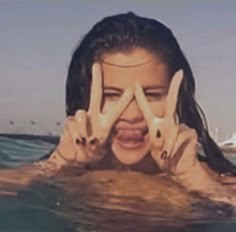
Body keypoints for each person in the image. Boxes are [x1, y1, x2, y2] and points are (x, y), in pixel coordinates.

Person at [0, 12, 235, 200]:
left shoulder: (209, 178)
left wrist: (199, 183)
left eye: (150, 95)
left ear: (177, 99)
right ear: (83, 99)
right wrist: (54, 166)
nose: (132, 114)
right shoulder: (64, 168)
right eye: (112, 96)